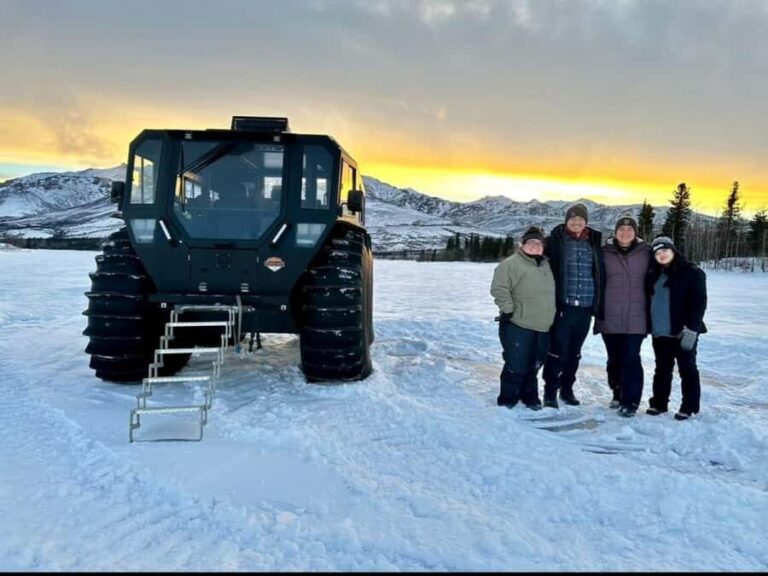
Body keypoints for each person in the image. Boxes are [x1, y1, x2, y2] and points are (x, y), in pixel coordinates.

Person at [542, 203, 605, 408]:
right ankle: (550, 391)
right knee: (557, 351)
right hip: (563, 307)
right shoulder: (554, 242)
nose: (576, 222)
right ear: (566, 220)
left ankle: (567, 389)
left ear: (586, 222)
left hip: (585, 308)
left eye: (581, 219)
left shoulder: (594, 243)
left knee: (575, 352)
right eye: (572, 219)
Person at [490, 226, 556, 410]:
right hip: (519, 323)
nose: (535, 246)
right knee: (516, 363)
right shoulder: (511, 264)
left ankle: (530, 397)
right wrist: (509, 309)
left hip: (542, 325)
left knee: (534, 364)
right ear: (522, 245)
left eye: (538, 243)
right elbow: (499, 288)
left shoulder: (545, 264)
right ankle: (507, 399)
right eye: (531, 243)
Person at [594, 214, 652, 417]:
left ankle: (631, 402)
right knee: (614, 359)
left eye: (630, 230)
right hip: (609, 316)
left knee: (631, 358)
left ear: (635, 233)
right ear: (615, 232)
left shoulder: (647, 252)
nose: (625, 233)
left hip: (638, 318)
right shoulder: (603, 253)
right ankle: (617, 393)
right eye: (621, 229)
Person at [646, 236, 707, 420]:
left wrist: (691, 329)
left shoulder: (691, 272)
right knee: (662, 368)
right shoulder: (653, 273)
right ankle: (659, 403)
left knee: (687, 369)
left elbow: (699, 303)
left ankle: (689, 407)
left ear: (673, 250)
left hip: (683, 331)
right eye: (657, 252)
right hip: (660, 331)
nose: (661, 255)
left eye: (665, 250)